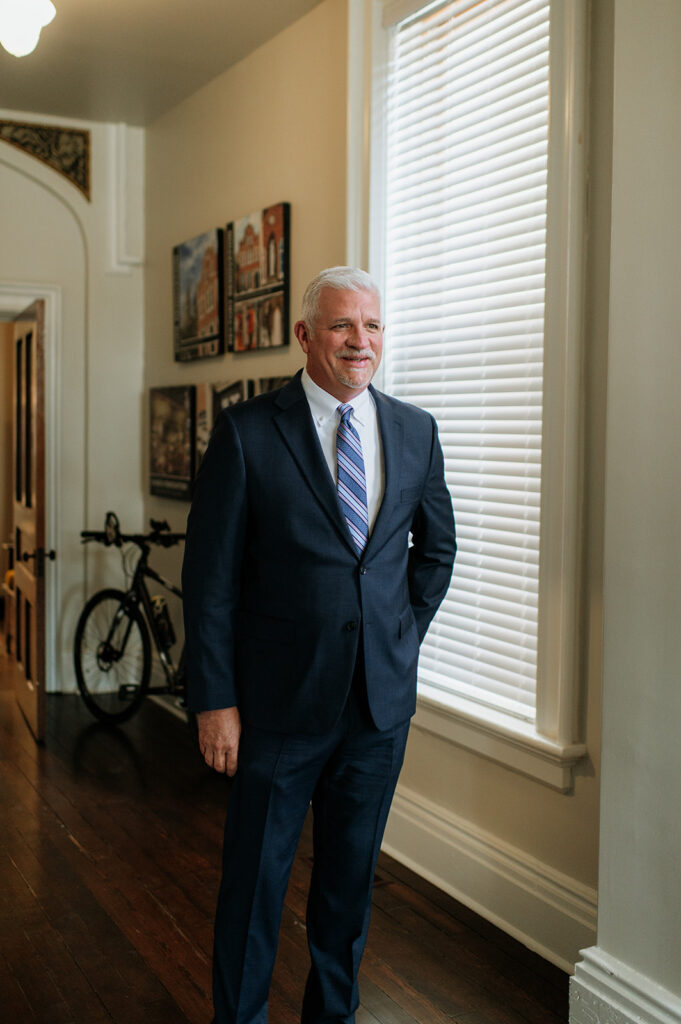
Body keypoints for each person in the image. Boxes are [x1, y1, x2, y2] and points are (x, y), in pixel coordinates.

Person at [182, 266, 456, 1024]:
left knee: (348, 886)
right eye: (341, 326)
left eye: (371, 327)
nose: (359, 342)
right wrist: (215, 702)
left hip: (376, 709)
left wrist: (396, 636)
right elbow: (209, 584)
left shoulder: (413, 429)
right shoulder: (246, 431)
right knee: (255, 886)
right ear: (304, 335)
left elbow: (434, 552)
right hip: (274, 707)